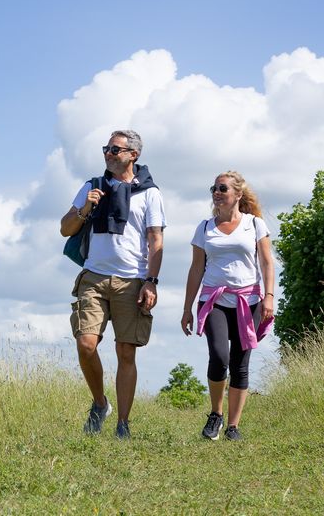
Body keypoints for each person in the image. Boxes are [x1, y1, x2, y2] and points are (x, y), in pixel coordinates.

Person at [60, 130, 165, 440]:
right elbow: (66, 228)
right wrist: (85, 208)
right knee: (86, 343)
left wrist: (152, 282)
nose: (108, 153)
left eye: (115, 149)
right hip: (93, 276)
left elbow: (156, 240)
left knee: (126, 352)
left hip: (132, 279)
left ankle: (123, 424)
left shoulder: (150, 193)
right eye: (106, 148)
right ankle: (99, 403)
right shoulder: (92, 187)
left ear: (133, 155)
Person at [181, 171, 275, 441]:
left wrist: (269, 296)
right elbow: (196, 268)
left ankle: (233, 426)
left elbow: (267, 262)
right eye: (214, 188)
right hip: (214, 300)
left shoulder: (254, 225)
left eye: (222, 188)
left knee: (240, 364)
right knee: (220, 357)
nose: (216, 192)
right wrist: (187, 308)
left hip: (250, 301)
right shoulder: (204, 228)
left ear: (238, 194)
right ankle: (216, 414)